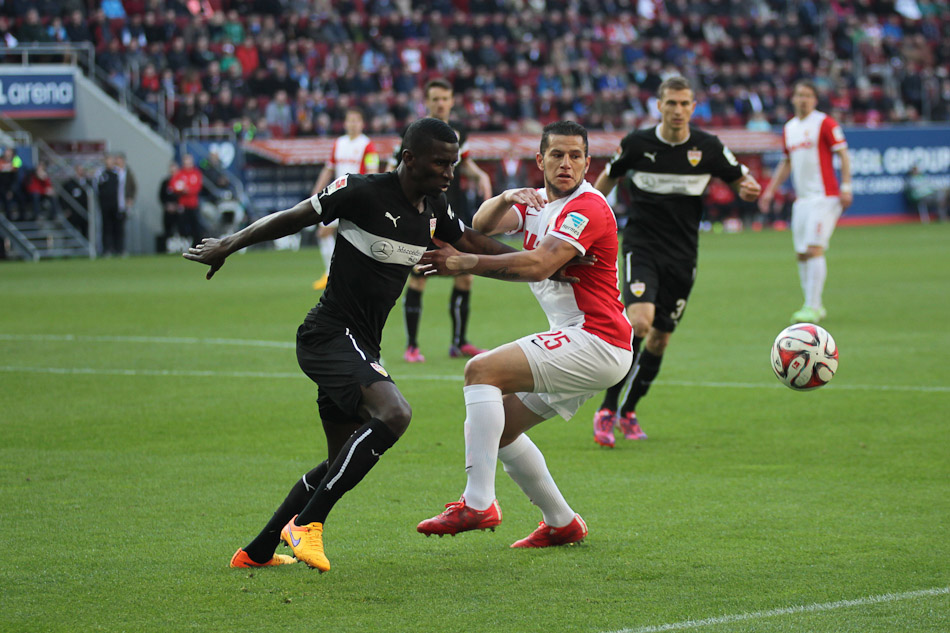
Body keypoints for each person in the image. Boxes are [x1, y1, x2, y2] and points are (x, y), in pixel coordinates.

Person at [184, 118, 520, 572]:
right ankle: (308, 524)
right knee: (396, 413)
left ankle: (257, 552)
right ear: (409, 159)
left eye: (453, 163)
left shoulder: (434, 208)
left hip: (361, 345)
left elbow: (474, 242)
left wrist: (543, 262)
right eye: (440, 163)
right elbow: (292, 217)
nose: (449, 172)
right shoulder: (362, 192)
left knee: (338, 462)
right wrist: (229, 242)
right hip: (328, 335)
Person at [415, 121, 633, 547]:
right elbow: (483, 223)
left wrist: (467, 263)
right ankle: (561, 521)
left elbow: (537, 265)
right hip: (583, 339)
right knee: (501, 431)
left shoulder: (588, 207)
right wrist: (504, 196)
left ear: (589, 163)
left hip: (597, 338)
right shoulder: (536, 202)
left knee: (481, 371)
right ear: (541, 160)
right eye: (557, 155)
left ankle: (478, 502)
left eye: (575, 156)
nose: (566, 163)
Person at [591, 76, 762, 448]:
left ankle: (629, 410)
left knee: (661, 338)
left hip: (683, 255)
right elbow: (607, 178)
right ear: (659, 105)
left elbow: (741, 179)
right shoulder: (637, 144)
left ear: (694, 107)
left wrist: (747, 187)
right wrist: (585, 216)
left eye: (685, 103)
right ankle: (606, 409)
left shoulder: (707, 147)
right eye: (671, 103)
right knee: (639, 322)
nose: (678, 110)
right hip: (642, 245)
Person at [391, 78, 494, 363]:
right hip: (423, 217)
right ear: (427, 101)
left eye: (445, 98)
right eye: (435, 98)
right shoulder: (414, 133)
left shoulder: (459, 133)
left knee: (465, 277)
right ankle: (412, 345)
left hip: (452, 215)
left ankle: (459, 342)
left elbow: (465, 164)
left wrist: (481, 176)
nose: (440, 103)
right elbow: (396, 169)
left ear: (451, 101)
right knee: (419, 278)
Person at [759, 79, 852, 324]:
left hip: (825, 196)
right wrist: (770, 190)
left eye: (808, 95)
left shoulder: (824, 123)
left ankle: (812, 306)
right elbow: (786, 161)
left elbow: (843, 154)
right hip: (802, 200)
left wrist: (846, 186)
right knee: (801, 254)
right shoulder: (790, 128)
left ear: (815, 99)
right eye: (799, 95)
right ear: (793, 98)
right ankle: (813, 304)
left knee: (814, 249)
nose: (803, 99)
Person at [310, 107, 380, 291]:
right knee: (323, 231)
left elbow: (373, 171)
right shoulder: (338, 143)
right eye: (350, 120)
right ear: (345, 123)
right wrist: (316, 191)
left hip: (359, 197)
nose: (353, 124)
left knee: (356, 239)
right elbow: (329, 169)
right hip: (339, 195)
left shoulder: (368, 145)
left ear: (362, 124)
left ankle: (347, 274)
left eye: (356, 120)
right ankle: (331, 273)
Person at [170, 154, 204, 247]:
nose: (187, 164)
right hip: (183, 205)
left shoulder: (196, 173)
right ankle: (184, 244)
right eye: (186, 162)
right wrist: (181, 190)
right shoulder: (180, 174)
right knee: (182, 226)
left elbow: (197, 187)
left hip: (193, 204)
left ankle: (197, 245)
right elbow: (173, 186)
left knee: (195, 226)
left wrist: (188, 190)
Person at [96, 154, 123, 255]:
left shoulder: (117, 174)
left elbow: (120, 190)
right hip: (105, 205)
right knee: (106, 228)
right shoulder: (101, 174)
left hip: (115, 205)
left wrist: (121, 204)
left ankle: (118, 249)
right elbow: (97, 189)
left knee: (117, 228)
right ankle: (106, 249)